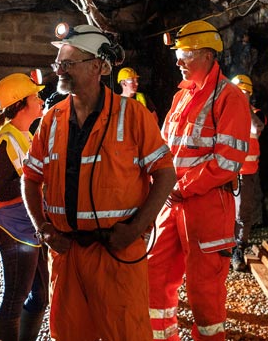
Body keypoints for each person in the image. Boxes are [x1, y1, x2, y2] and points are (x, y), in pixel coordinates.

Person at [21, 24, 176, 341]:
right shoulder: (51, 120)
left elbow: (165, 174)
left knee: (126, 333)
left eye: (68, 63)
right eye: (58, 64)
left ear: (98, 66)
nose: (60, 70)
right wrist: (43, 227)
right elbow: (31, 178)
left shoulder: (133, 115)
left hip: (116, 254)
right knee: (69, 333)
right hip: (67, 255)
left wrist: (134, 229)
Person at [149, 20, 251, 341]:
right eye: (177, 55)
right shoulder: (181, 98)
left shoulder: (229, 98)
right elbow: (166, 147)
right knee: (154, 276)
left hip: (206, 207)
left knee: (203, 291)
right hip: (171, 204)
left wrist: (181, 187)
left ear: (207, 55)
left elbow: (227, 162)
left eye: (185, 55)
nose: (178, 61)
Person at [0, 73, 48, 341]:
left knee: (40, 297)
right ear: (21, 103)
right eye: (36, 97)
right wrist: (40, 176)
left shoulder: (25, 135)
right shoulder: (6, 139)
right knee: (14, 298)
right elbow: (3, 189)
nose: (41, 100)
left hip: (29, 226)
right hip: (13, 228)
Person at [229, 75, 266, 273]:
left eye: (244, 93)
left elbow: (257, 128)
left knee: (242, 214)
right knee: (224, 213)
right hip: (227, 173)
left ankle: (238, 250)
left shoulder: (256, 114)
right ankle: (225, 250)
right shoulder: (226, 113)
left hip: (247, 173)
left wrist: (244, 106)